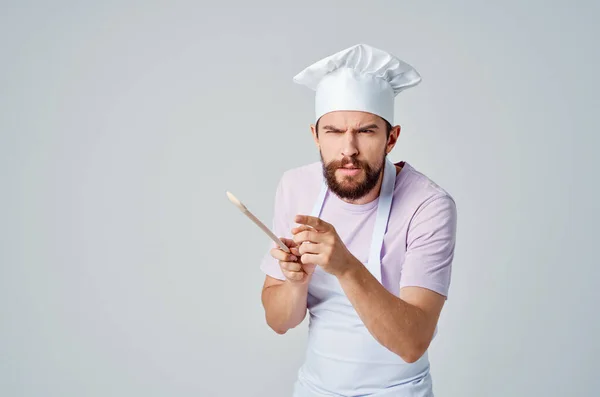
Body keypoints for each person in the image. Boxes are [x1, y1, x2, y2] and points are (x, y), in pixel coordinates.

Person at [259, 43, 458, 397]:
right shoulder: (296, 187)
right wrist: (296, 282)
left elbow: (412, 343)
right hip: (315, 390)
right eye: (333, 131)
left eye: (365, 131)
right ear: (316, 137)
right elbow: (279, 322)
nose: (347, 148)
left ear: (391, 138)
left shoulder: (428, 205)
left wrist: (346, 267)